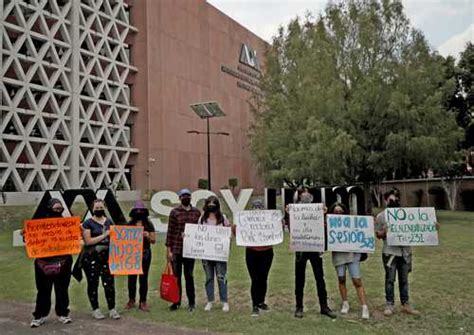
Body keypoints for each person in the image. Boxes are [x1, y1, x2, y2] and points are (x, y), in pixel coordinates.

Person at [29, 198, 73, 327]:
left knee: (62, 290)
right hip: (43, 263)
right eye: (55, 209)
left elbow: (73, 238)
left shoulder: (67, 224)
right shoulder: (39, 224)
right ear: (49, 208)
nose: (58, 211)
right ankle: (39, 315)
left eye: (60, 209)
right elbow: (30, 240)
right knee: (43, 290)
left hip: (63, 261)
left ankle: (63, 313)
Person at [375, 188, 419, 316]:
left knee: (404, 280)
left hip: (405, 252)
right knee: (390, 279)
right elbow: (378, 235)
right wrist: (385, 231)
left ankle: (405, 304)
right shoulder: (381, 216)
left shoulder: (407, 214)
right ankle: (389, 304)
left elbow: (417, 228)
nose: (394, 201)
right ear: (386, 200)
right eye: (391, 199)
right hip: (390, 252)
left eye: (396, 199)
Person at [292, 190, 336, 319]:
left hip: (315, 247)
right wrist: (289, 211)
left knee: (319, 278)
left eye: (308, 194)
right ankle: (299, 306)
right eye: (303, 194)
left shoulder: (318, 210)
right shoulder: (295, 210)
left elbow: (323, 225)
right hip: (300, 248)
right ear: (300, 197)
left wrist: (324, 212)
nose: (306, 196)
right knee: (299, 278)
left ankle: (324, 306)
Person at [328, 202, 369, 319]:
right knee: (341, 279)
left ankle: (364, 306)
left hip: (352, 254)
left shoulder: (352, 223)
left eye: (341, 212)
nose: (338, 214)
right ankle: (345, 303)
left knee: (357, 280)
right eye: (336, 212)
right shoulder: (330, 224)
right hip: (338, 254)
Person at [82, 199, 120, 320]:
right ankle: (96, 309)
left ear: (104, 208)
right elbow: (88, 241)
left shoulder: (109, 221)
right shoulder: (87, 223)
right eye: (96, 208)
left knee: (109, 283)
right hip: (92, 257)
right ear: (92, 209)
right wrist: (104, 235)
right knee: (93, 283)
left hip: (108, 257)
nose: (99, 210)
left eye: (101, 208)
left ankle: (112, 308)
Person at [166, 188, 201, 312]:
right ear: (179, 198)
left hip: (190, 250)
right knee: (176, 277)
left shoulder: (197, 212)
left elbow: (200, 230)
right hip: (176, 248)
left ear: (191, 198)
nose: (186, 198)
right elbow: (170, 232)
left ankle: (191, 303)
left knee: (189, 276)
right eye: (183, 196)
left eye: (188, 196)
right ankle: (176, 302)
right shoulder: (174, 212)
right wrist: (168, 250)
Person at [200, 196, 232, 312]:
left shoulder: (223, 218)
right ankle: (210, 301)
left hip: (219, 254)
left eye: (214, 204)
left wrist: (229, 236)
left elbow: (229, 232)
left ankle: (224, 302)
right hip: (206, 254)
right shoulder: (202, 219)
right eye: (209, 203)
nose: (211, 206)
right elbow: (196, 234)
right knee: (209, 277)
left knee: (221, 277)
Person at [125, 201, 156, 312]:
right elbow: (123, 239)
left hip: (145, 253)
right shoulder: (129, 224)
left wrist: (147, 236)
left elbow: (153, 240)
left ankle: (143, 301)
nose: (139, 213)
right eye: (137, 211)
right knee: (131, 278)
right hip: (132, 254)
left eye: (141, 211)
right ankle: (131, 299)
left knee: (143, 278)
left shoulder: (148, 224)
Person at [245, 199, 274, 317]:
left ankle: (261, 301)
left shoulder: (268, 220)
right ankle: (254, 305)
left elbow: (277, 231)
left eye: (260, 207)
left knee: (264, 278)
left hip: (267, 251)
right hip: (251, 252)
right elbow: (239, 233)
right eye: (255, 207)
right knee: (255, 279)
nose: (257, 210)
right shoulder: (247, 221)